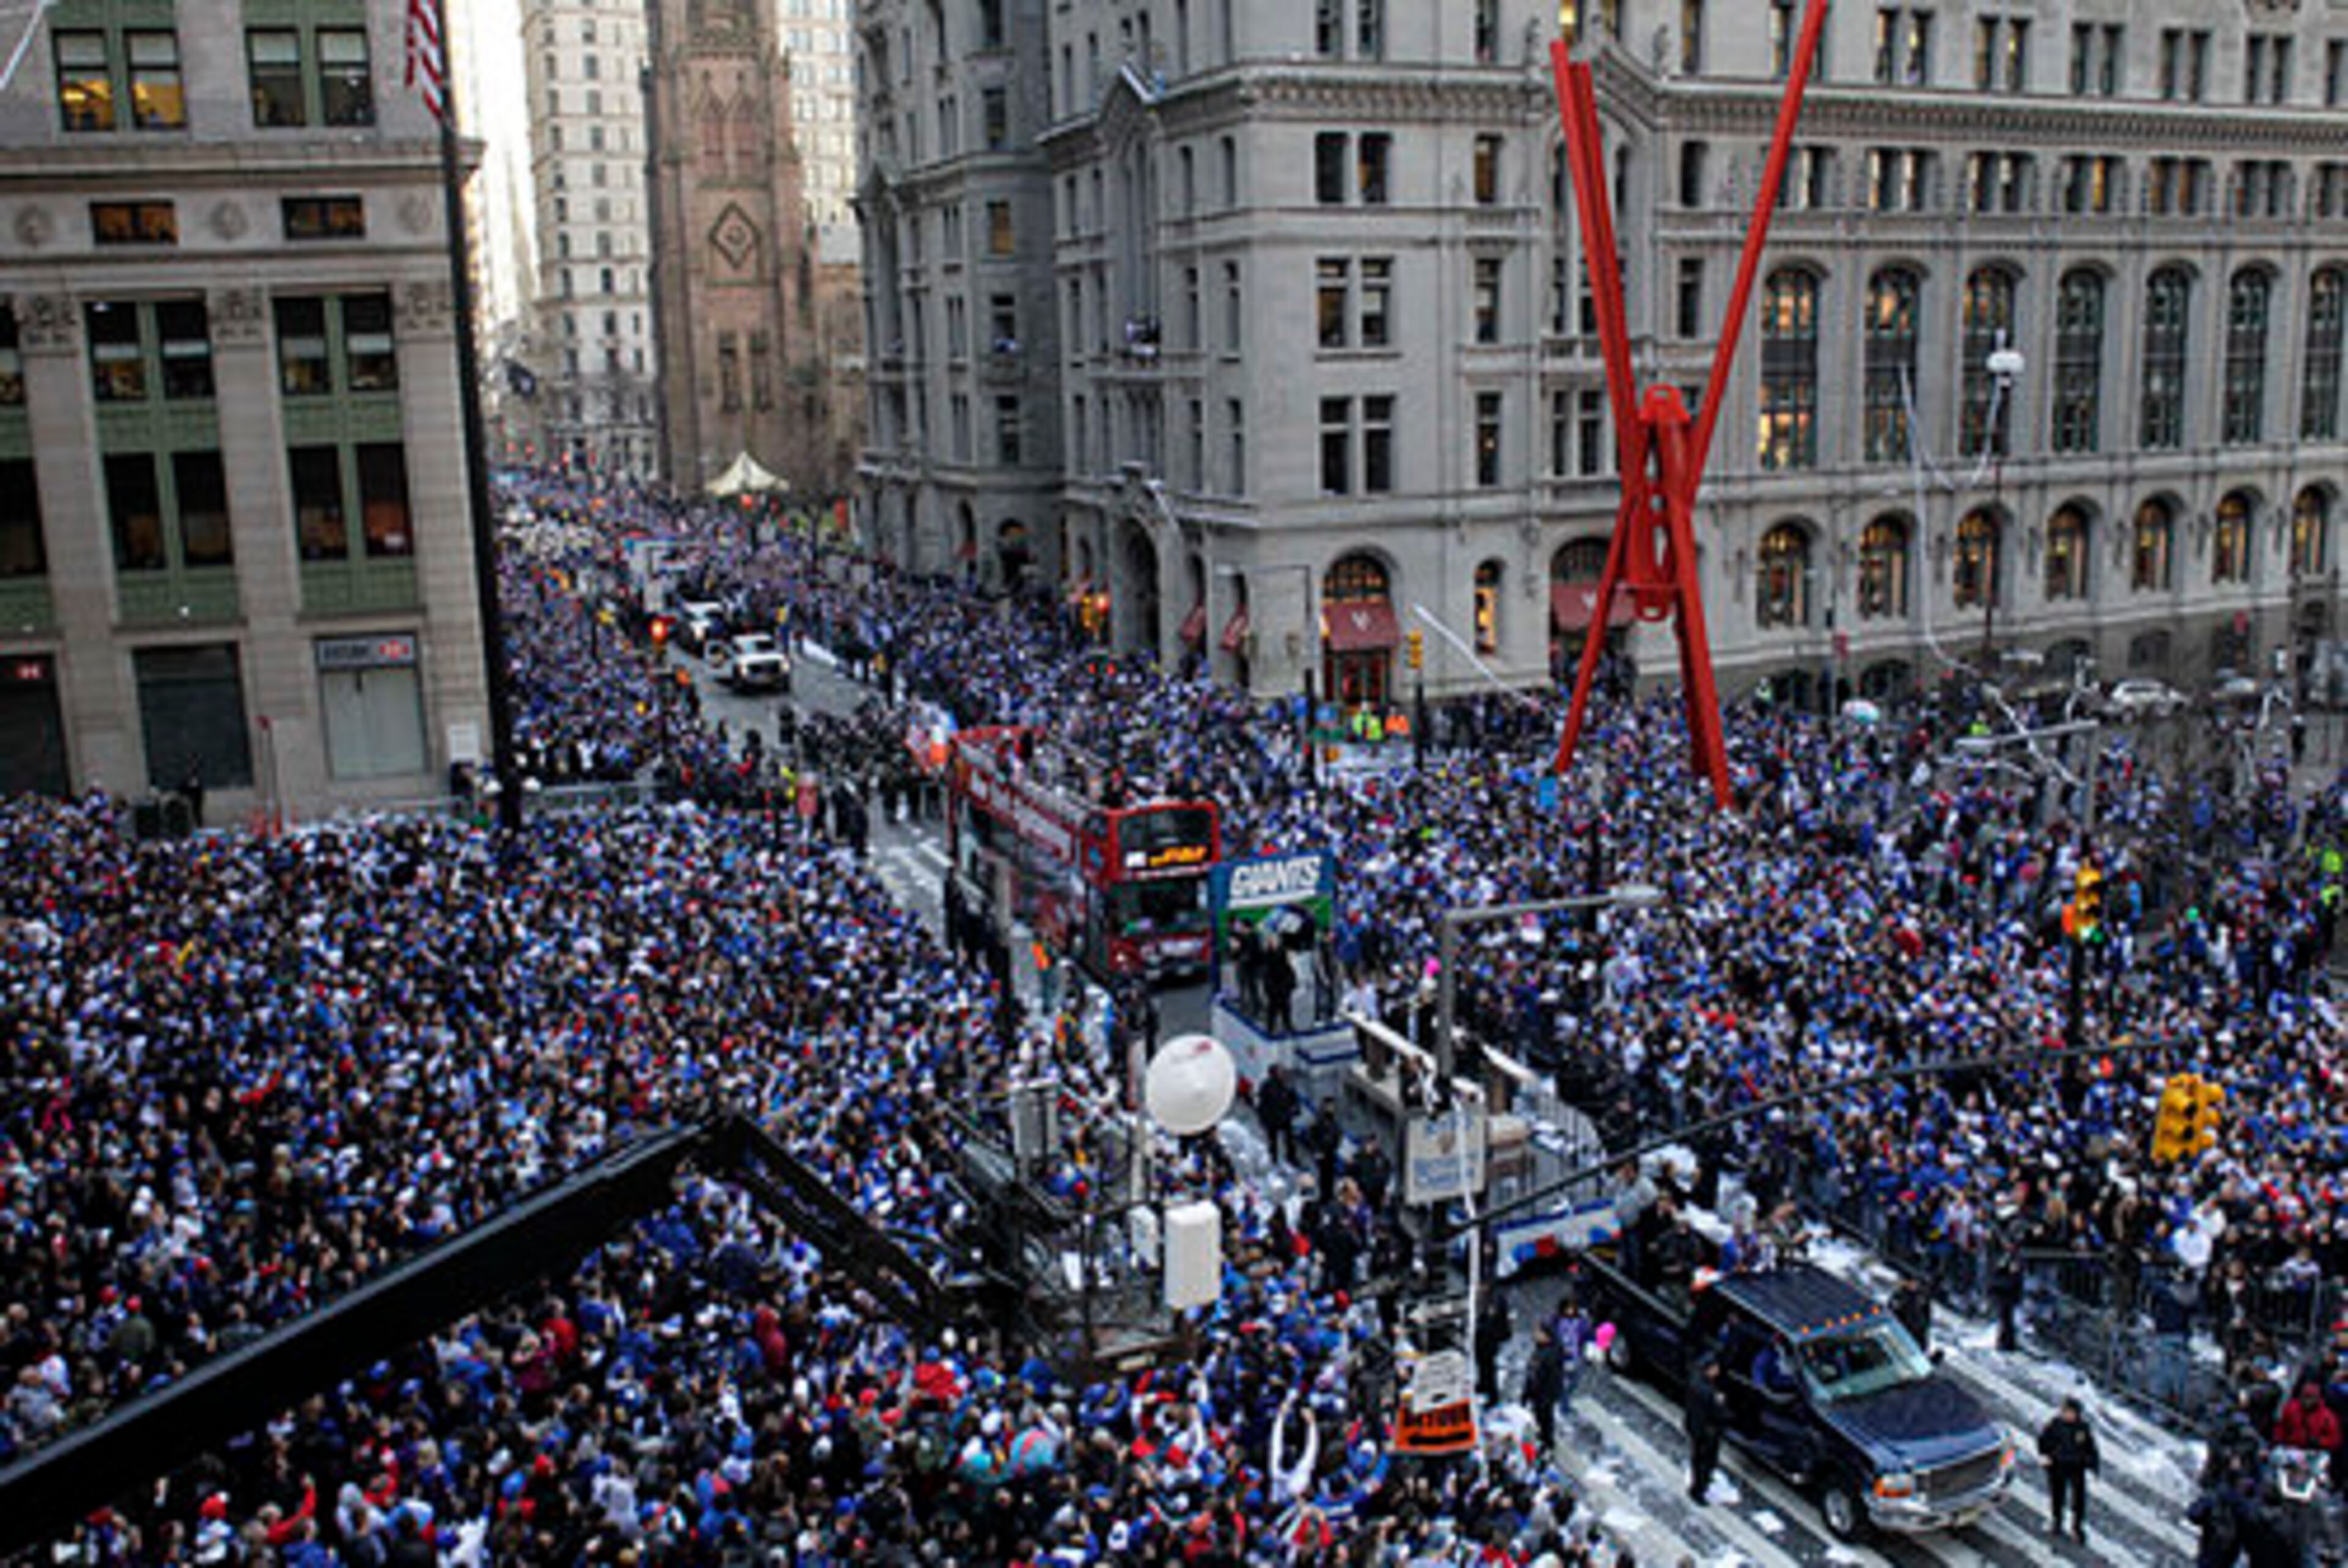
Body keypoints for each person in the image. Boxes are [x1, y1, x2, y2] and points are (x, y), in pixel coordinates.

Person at [2037, 1395, 2100, 1544]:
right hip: (2057, 1467)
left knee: (2078, 1501)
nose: (2066, 1415)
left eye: (2070, 1412)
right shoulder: (2055, 1424)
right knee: (2057, 1497)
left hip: (2076, 1469)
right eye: (2065, 1411)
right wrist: (2045, 1456)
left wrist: (2093, 1467)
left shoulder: (2083, 1429)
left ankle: (2077, 1528)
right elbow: (2043, 1441)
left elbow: (2091, 1449)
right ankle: (2057, 1522)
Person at [1685, 1358, 1729, 1506]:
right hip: (1708, 1431)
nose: (1718, 1371)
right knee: (1706, 1460)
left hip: (1695, 1427)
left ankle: (1699, 1483)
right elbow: (1717, 1413)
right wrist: (1720, 1403)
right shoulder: (1709, 1392)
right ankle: (1698, 1490)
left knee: (1698, 1457)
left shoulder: (1695, 1381)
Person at [1522, 1323, 1567, 1456]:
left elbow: (1550, 1379)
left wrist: (1546, 1396)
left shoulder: (1550, 1356)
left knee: (1545, 1419)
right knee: (1542, 1417)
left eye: (1539, 1333)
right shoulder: (1542, 1350)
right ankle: (1544, 1440)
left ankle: (1547, 1443)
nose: (1535, 1335)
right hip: (1540, 1394)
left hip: (1544, 1395)